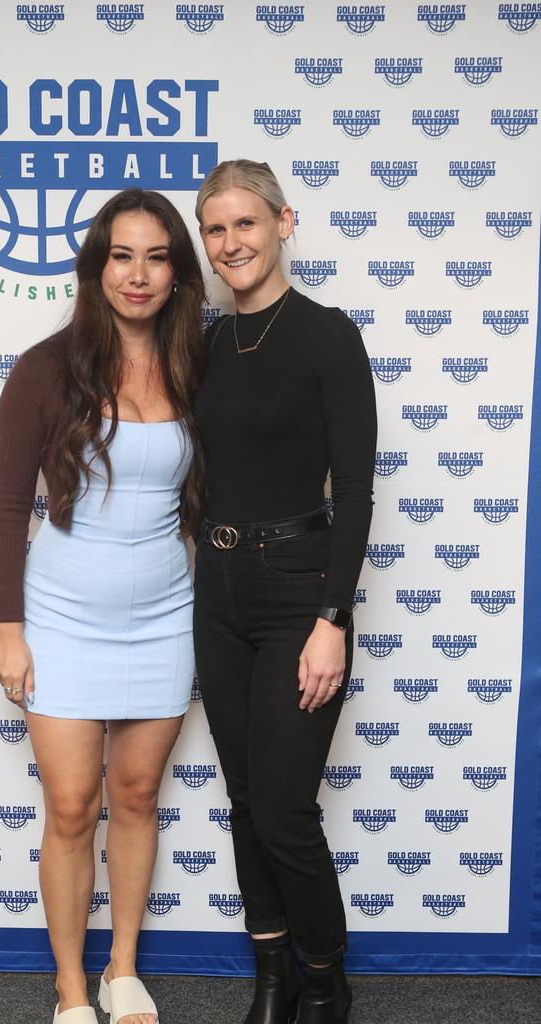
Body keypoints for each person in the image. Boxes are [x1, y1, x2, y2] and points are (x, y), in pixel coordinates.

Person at [0, 189, 206, 1024]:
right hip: (62, 620)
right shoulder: (45, 369)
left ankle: (122, 971)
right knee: (74, 807)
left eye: (156, 257)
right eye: (122, 256)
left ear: (177, 271)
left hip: (164, 618)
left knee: (140, 795)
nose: (139, 275)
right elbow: (12, 513)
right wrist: (10, 634)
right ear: (96, 266)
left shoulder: (197, 363)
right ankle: (72, 989)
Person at [192, 160, 377, 1024]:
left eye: (245, 225)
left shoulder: (328, 335)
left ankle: (326, 976)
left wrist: (332, 618)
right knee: (241, 799)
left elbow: (357, 488)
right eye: (215, 229)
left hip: (299, 588)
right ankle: (273, 980)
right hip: (217, 593)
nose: (230, 243)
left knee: (284, 808)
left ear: (282, 222)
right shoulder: (205, 342)